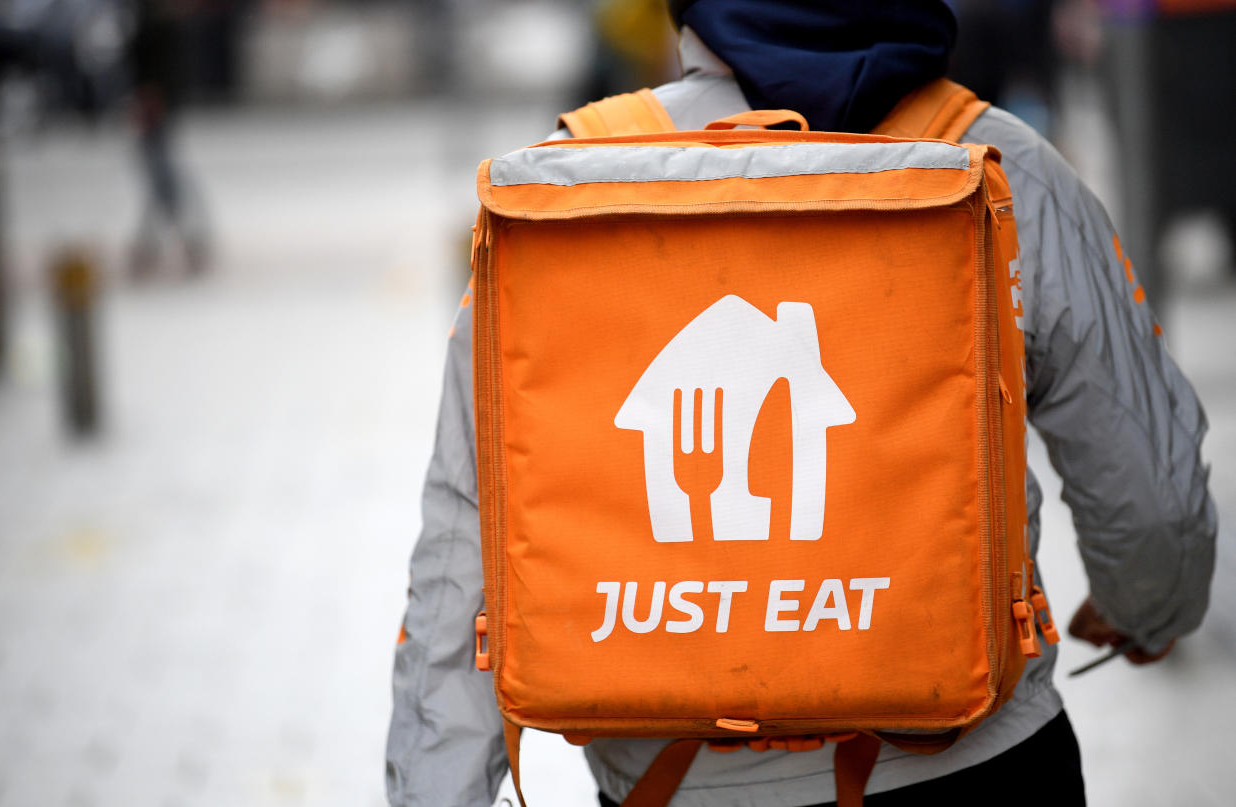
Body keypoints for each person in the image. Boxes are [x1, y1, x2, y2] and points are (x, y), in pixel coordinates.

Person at [386, 2, 1217, 805]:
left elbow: (463, 556)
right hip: (977, 767)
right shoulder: (1003, 165)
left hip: (676, 785)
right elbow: (1154, 501)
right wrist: (1147, 608)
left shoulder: (563, 188)